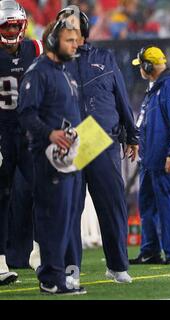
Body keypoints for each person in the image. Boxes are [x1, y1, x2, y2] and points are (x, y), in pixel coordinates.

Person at [57, 5, 138, 284]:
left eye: (75, 28)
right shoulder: (51, 63)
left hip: (102, 139)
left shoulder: (105, 57)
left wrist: (132, 134)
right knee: (68, 208)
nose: (71, 34)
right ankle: (70, 270)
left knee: (112, 204)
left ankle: (117, 265)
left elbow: (121, 97)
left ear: (85, 31)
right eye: (65, 29)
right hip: (69, 142)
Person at [17, 18, 86, 294]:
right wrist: (50, 134)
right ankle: (50, 278)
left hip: (71, 156)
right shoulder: (39, 72)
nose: (76, 44)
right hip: (48, 157)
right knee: (52, 218)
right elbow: (26, 113)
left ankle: (60, 275)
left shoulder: (65, 71)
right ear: (53, 41)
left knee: (68, 217)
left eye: (76, 39)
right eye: (70, 40)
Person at [129, 46, 170, 264]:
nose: (140, 70)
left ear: (148, 65)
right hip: (151, 159)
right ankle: (150, 251)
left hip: (167, 160)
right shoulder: (156, 87)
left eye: (141, 66)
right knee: (147, 207)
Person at [0, 0, 43, 285]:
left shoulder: (36, 49)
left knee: (42, 193)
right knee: (1, 197)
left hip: (30, 133)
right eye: (6, 26)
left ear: (23, 25)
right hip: (3, 135)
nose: (11, 30)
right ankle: (1, 260)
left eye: (15, 25)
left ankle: (41, 255)